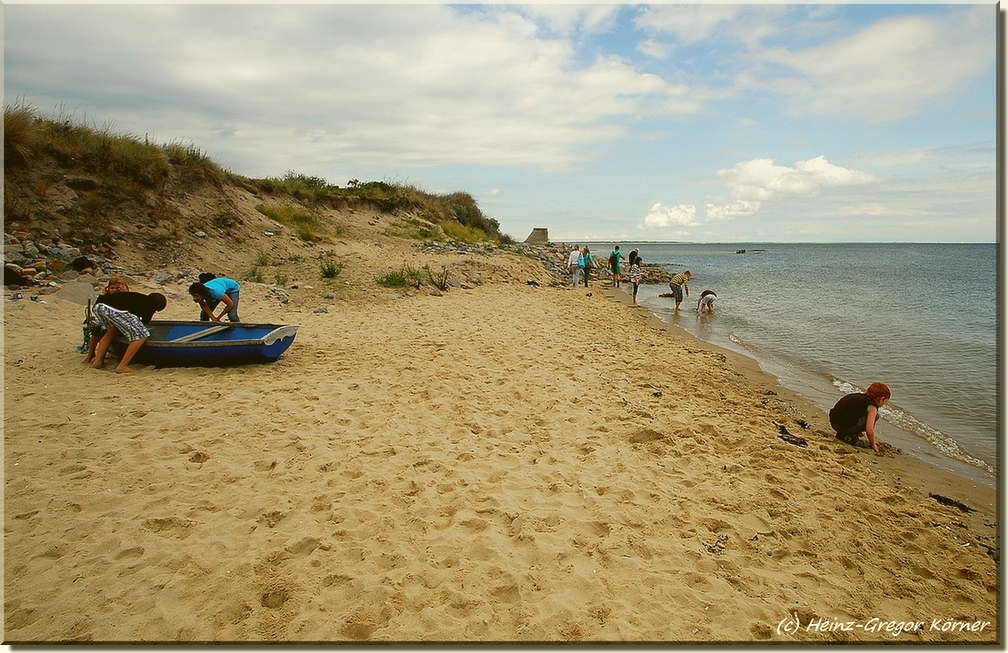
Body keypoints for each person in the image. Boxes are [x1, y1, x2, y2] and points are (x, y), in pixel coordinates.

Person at [88, 291, 168, 373]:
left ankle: (97, 362)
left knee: (111, 331)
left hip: (99, 307)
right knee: (141, 335)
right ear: (158, 306)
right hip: (114, 309)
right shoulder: (150, 305)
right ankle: (122, 366)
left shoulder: (139, 298)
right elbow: (144, 325)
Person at [829, 382, 891, 454]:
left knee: (853, 415)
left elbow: (852, 412)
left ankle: (849, 433)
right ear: (881, 399)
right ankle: (850, 436)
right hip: (844, 427)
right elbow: (869, 430)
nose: (884, 404)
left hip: (834, 422)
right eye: (885, 401)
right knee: (876, 416)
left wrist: (859, 431)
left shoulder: (858, 397)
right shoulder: (872, 406)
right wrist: (873, 444)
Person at [82, 277, 132, 364]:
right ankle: (91, 353)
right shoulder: (104, 298)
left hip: (122, 324)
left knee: (105, 331)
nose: (114, 290)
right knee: (97, 327)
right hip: (108, 323)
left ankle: (100, 358)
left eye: (117, 288)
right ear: (108, 288)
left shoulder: (126, 297)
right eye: (112, 288)